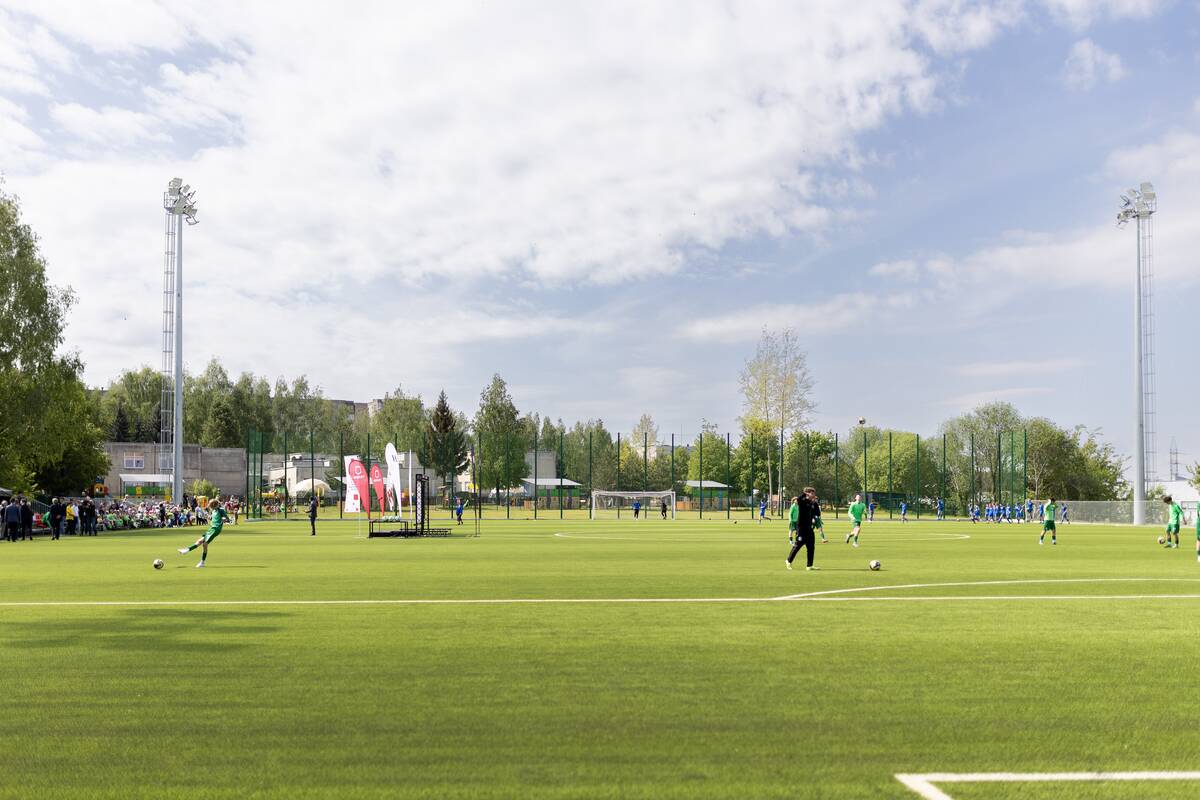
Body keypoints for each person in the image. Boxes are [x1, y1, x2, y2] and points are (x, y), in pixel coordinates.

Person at [178, 499, 229, 567]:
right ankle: (187, 550)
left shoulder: (221, 510)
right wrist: (209, 517)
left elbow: (227, 519)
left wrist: (224, 519)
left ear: (214, 505)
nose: (210, 506)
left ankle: (202, 562)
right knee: (200, 541)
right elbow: (213, 518)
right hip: (211, 529)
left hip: (216, 529)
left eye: (211, 505)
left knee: (204, 544)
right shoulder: (213, 511)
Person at [786, 491, 820, 571]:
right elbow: (798, 499)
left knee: (811, 547)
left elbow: (818, 513)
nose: (814, 495)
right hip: (801, 529)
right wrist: (804, 494)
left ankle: (809, 566)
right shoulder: (802, 501)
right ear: (808, 494)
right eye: (812, 493)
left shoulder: (813, 503)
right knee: (798, 545)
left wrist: (815, 504)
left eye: (814, 494)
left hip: (809, 528)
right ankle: (788, 561)